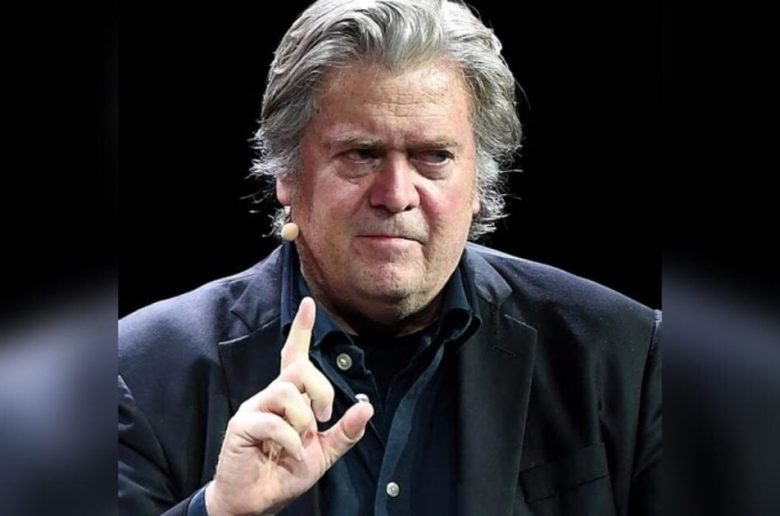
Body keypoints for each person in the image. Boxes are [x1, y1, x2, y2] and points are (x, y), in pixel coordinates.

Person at [118, 1, 661, 515]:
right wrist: (219, 509)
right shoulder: (137, 372)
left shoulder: (626, 356)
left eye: (434, 156)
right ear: (287, 173)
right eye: (360, 154)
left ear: (478, 180)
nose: (396, 194)